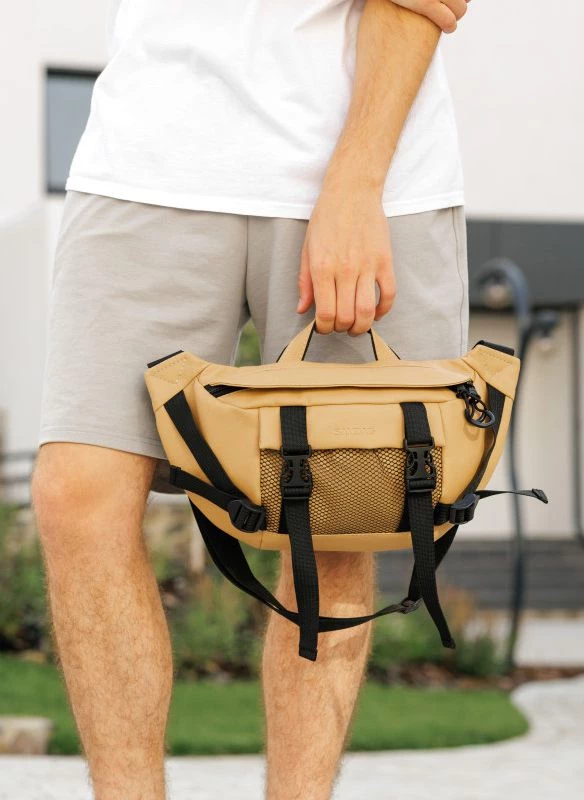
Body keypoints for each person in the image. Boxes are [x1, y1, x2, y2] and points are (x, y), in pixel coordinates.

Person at [31, 1, 471, 797]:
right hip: (146, 154)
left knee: (340, 518)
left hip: (361, 166)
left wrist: (355, 181)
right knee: (76, 496)